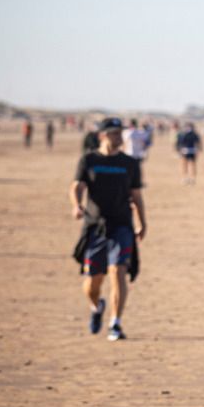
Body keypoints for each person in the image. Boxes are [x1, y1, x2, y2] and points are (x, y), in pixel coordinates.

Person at [71, 117, 146, 341]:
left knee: (118, 271)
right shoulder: (89, 160)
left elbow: (136, 195)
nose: (117, 137)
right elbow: (77, 186)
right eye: (113, 133)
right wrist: (76, 205)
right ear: (102, 135)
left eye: (119, 133)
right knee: (93, 282)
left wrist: (142, 222)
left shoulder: (130, 164)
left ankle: (115, 323)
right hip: (95, 227)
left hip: (122, 225)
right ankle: (97, 306)